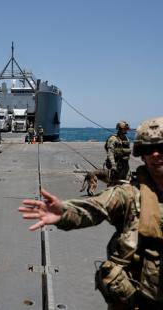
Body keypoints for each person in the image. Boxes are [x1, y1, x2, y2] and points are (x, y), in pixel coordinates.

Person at [18, 117, 163, 310]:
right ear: (142, 155)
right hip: (139, 299)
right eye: (147, 149)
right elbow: (95, 207)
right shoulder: (129, 194)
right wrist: (64, 212)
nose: (155, 154)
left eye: (161, 147)